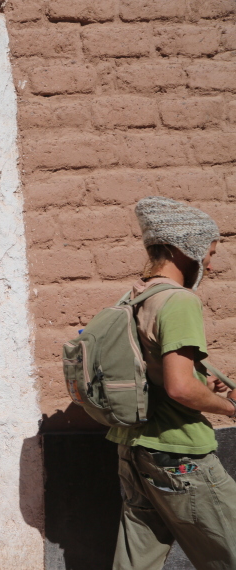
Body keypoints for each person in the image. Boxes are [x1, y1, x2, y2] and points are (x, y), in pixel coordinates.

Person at [107, 196, 236, 569]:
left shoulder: (134, 297)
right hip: (180, 456)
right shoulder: (179, 300)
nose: (210, 265)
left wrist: (201, 381)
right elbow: (179, 388)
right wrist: (230, 406)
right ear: (186, 249)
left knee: (137, 561)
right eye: (209, 253)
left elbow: (154, 373)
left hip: (135, 452)